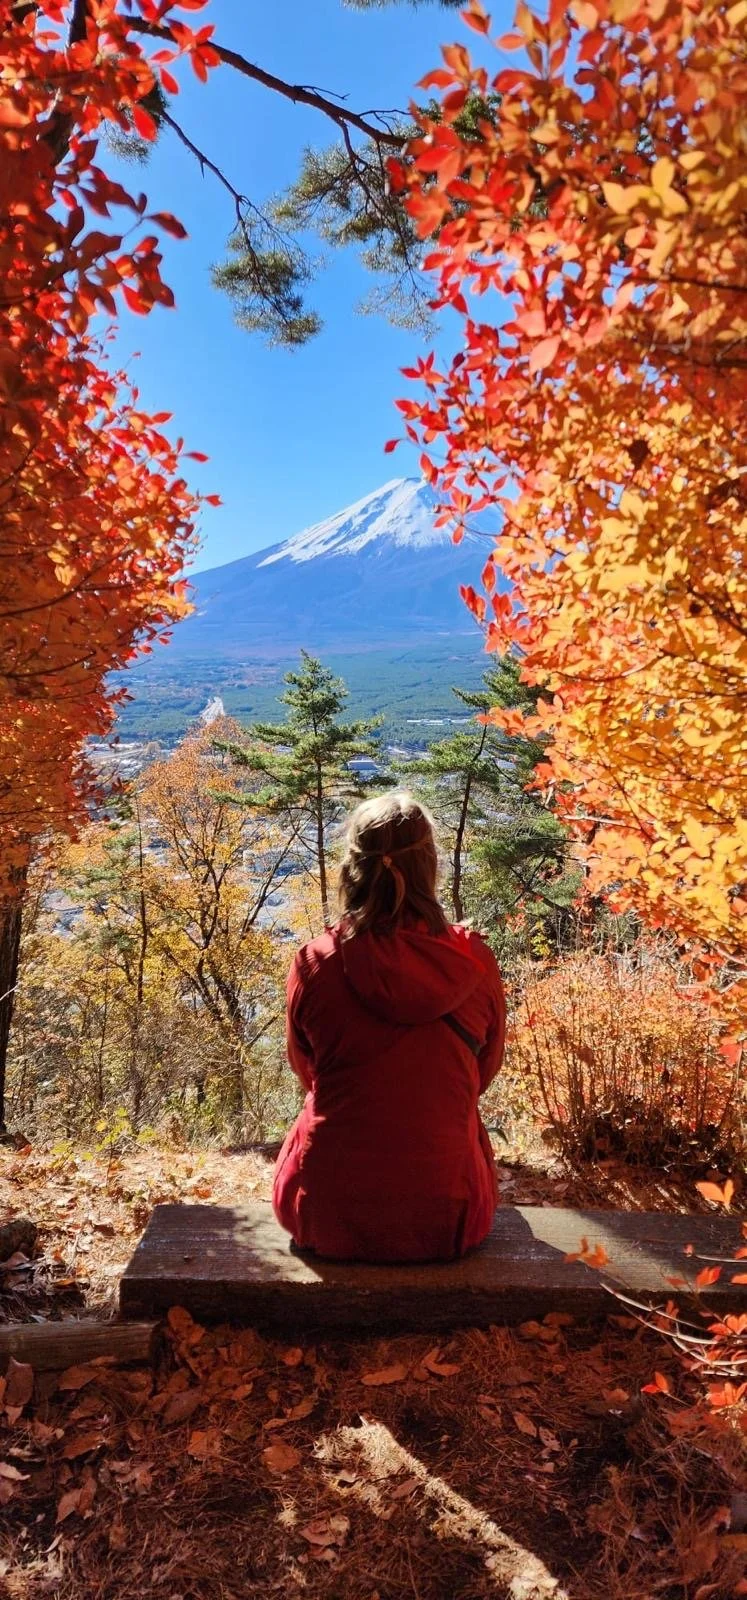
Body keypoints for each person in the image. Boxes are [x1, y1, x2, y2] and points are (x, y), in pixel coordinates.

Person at [272, 791, 506, 1263]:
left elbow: (307, 1071)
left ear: (351, 868)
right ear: (429, 866)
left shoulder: (316, 963)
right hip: (449, 1217)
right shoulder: (474, 963)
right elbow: (483, 1071)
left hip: (325, 1210)